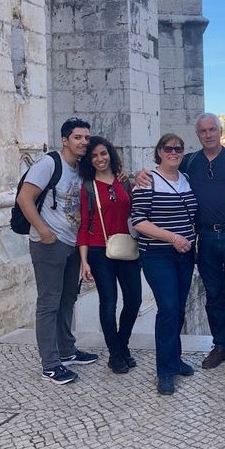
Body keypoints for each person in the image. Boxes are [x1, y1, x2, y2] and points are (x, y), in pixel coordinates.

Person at [135, 114, 225, 375]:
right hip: (205, 237)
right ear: (198, 135)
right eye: (203, 131)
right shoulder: (190, 162)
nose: (208, 135)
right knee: (214, 294)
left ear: (220, 131)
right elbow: (164, 172)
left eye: (212, 130)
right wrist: (140, 174)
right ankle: (221, 346)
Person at [16, 117, 99, 385]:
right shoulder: (49, 164)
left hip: (72, 244)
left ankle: (66, 350)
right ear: (65, 140)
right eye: (77, 137)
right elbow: (24, 198)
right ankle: (50, 364)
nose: (83, 142)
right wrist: (44, 231)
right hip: (49, 244)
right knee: (49, 303)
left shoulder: (80, 168)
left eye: (86, 137)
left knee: (67, 300)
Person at [131, 133, 198, 395]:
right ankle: (164, 371)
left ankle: (175, 359)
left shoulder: (186, 180)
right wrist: (172, 238)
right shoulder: (148, 181)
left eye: (178, 149)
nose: (174, 152)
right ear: (159, 151)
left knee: (178, 309)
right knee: (168, 307)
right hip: (158, 255)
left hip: (184, 255)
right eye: (168, 148)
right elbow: (139, 220)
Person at [77, 136, 142, 374]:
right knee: (109, 303)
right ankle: (115, 354)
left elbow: (137, 212)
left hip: (127, 247)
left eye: (103, 153)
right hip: (99, 250)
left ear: (110, 154)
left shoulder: (124, 183)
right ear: (89, 160)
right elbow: (84, 225)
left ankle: (122, 344)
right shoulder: (87, 187)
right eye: (94, 156)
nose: (99, 159)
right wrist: (83, 261)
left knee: (134, 300)